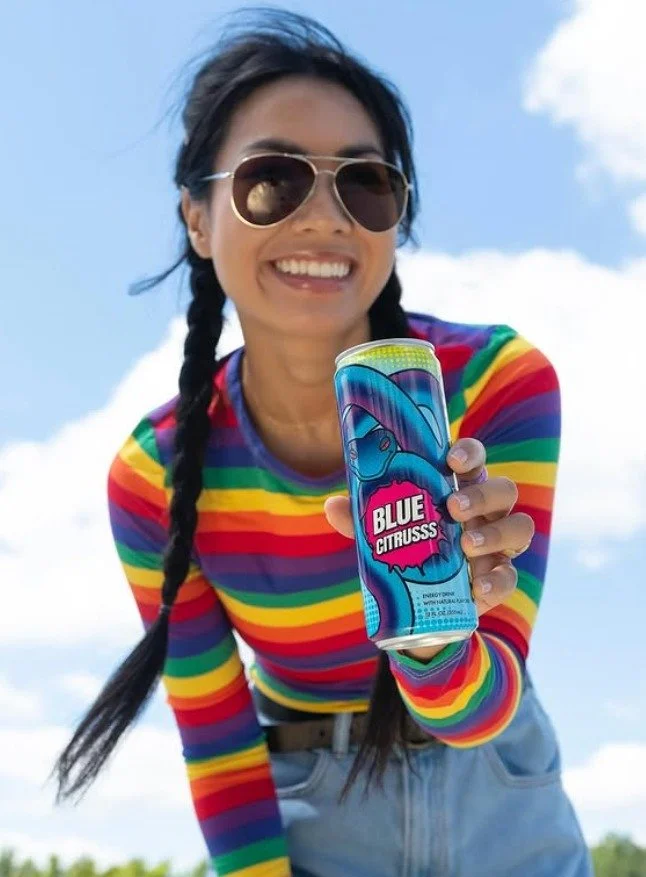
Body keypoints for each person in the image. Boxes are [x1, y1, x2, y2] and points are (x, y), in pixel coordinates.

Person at [54, 10, 592, 877]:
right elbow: (220, 739)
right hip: (306, 809)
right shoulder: (153, 476)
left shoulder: (496, 380)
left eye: (364, 182)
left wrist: (435, 633)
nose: (324, 217)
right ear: (197, 218)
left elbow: (476, 710)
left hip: (500, 794)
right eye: (273, 179)